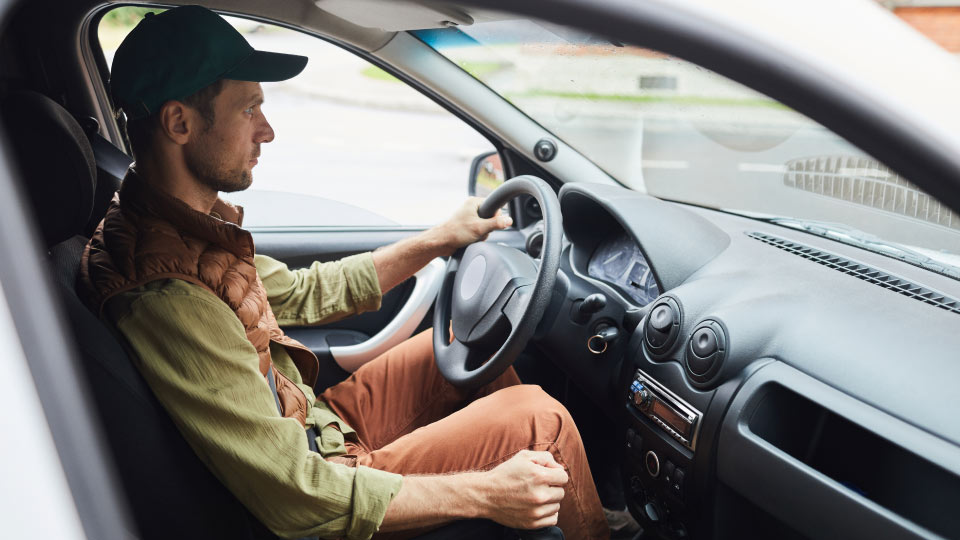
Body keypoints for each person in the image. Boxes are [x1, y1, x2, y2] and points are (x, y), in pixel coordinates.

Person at [79, 5, 609, 540]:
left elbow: (307, 293)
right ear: (179, 123)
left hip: (313, 425)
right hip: (319, 483)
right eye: (249, 109)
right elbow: (298, 496)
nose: (268, 131)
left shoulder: (181, 230)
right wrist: (487, 491)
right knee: (541, 421)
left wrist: (437, 239)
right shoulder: (169, 296)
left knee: (458, 346)